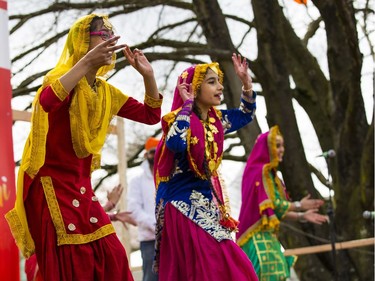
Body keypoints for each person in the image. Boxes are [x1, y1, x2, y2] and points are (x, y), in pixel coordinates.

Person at [6, 13, 162, 281]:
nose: (111, 39)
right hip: (52, 191)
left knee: (113, 256)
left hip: (82, 190)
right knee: (71, 266)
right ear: (82, 41)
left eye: (112, 33)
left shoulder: (105, 93)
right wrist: (85, 62)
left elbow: (151, 115)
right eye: (103, 34)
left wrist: (148, 76)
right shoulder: (60, 80)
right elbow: (46, 101)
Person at [153, 54, 259, 280]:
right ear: (194, 88)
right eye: (212, 82)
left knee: (222, 266)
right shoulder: (179, 119)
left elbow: (246, 114)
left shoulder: (216, 121)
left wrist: (246, 83)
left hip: (206, 205)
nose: (220, 87)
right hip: (182, 207)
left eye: (219, 81)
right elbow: (175, 143)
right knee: (214, 265)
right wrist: (187, 106)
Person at [236, 125, 328, 281]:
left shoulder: (269, 174)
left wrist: (301, 216)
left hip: (268, 237)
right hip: (256, 239)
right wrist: (298, 206)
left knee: (280, 275)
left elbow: (275, 211)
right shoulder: (260, 172)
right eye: (277, 145)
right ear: (267, 148)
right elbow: (272, 204)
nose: (281, 149)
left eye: (282, 145)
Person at [127, 137, 160, 281]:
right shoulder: (137, 181)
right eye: (153, 152)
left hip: (171, 238)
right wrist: (155, 226)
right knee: (151, 277)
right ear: (146, 155)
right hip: (149, 240)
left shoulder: (168, 177)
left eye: (158, 152)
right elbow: (134, 209)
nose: (156, 155)